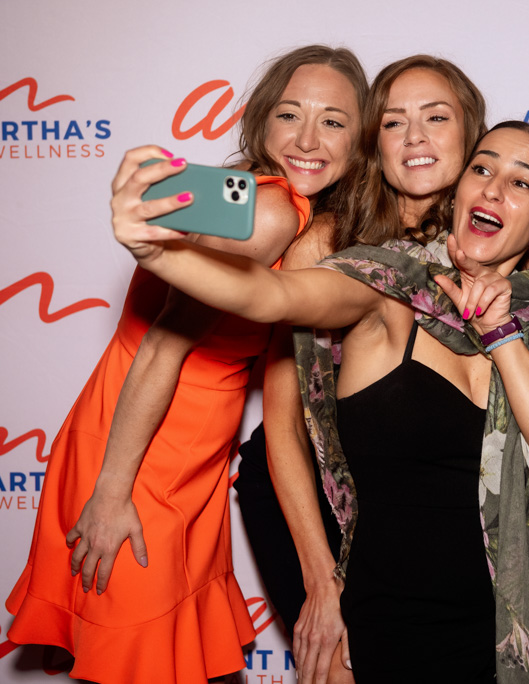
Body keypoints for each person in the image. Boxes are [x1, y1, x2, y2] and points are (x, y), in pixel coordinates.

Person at [112, 121, 529, 683]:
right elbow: (271, 295)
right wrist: (157, 253)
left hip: (515, 646)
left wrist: (502, 332)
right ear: (460, 190)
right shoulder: (387, 284)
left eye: (521, 183)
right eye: (482, 168)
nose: (494, 188)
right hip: (394, 635)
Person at [4, 44, 365, 683]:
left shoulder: (246, 196)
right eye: (291, 115)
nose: (308, 138)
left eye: (333, 121)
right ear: (261, 122)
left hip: (167, 456)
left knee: (179, 661)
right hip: (142, 465)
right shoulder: (276, 206)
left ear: (358, 136)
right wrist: (114, 493)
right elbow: (164, 344)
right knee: (138, 659)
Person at [234, 54, 487, 684]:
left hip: (440, 546)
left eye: (437, 117)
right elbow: (284, 427)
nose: (417, 137)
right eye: (395, 122)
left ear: (471, 132)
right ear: (376, 141)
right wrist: (321, 581)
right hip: (318, 514)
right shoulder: (326, 241)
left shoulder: (496, 246)